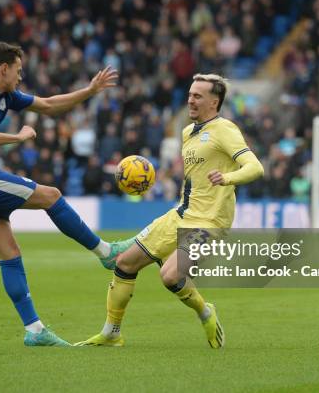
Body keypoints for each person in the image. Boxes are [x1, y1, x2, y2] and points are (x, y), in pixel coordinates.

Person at [0, 42, 133, 347]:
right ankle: (105, 253)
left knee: (10, 254)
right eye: (18, 69)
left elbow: (49, 105)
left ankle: (34, 330)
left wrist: (90, 90)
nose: (20, 75)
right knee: (51, 196)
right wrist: (18, 137)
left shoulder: (5, 95)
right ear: (4, 68)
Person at [76, 74, 264, 348]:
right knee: (124, 264)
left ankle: (205, 312)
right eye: (189, 94)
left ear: (214, 102)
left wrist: (228, 178)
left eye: (198, 96)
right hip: (179, 215)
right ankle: (111, 333)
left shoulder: (226, 129)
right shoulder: (188, 132)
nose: (190, 100)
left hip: (209, 222)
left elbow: (255, 167)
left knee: (170, 276)